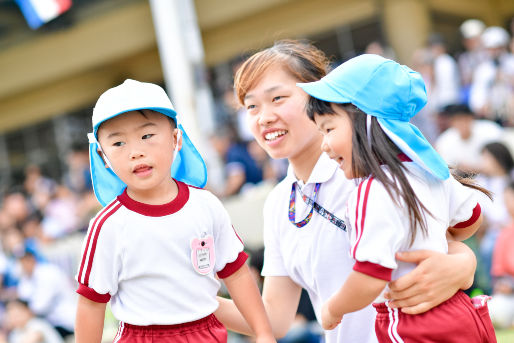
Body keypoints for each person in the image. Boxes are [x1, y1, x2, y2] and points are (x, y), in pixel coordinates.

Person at [215, 40, 479, 343]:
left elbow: (445, 235)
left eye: (278, 98)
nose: (264, 117)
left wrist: (463, 265)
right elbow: (274, 320)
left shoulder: (372, 172)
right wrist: (192, 302)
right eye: (251, 106)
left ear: (319, 95)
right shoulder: (278, 203)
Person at [299, 53, 496, 342]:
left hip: (410, 322)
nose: (325, 146)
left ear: (368, 123)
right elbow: (471, 217)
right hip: (461, 310)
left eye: (328, 129)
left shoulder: (371, 190)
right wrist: (440, 239)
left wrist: (333, 308)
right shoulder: (430, 171)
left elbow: (371, 274)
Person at [74, 79, 276, 343]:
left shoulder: (206, 205)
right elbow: (90, 304)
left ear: (175, 138)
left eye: (147, 136)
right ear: (103, 157)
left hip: (208, 333)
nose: (135, 152)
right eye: (119, 143)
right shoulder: (107, 225)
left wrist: (263, 333)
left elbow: (236, 274)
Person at [435, 104, 503, 173]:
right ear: (452, 122)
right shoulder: (444, 141)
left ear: (472, 118)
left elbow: (502, 162)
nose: (462, 124)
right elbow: (446, 170)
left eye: (465, 119)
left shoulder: (490, 130)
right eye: (458, 120)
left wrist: (474, 169)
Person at [488, 180, 514, 329]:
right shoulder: (504, 232)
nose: (507, 204)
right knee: (494, 312)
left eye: (510, 198)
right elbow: (497, 273)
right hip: (508, 296)